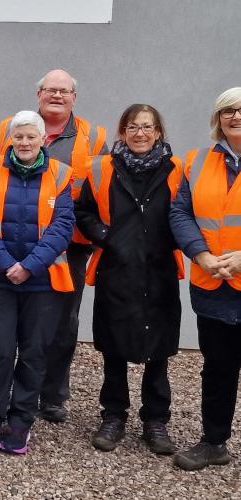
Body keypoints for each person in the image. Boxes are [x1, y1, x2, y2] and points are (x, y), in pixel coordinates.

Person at [0, 69, 107, 422]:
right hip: (7, 246)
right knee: (2, 329)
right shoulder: (12, 126)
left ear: (74, 98)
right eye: (50, 89)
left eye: (64, 91)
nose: (57, 95)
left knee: (60, 324)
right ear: (38, 94)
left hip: (69, 246)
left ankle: (51, 396)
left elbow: (104, 187)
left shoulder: (93, 136)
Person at [74, 104, 183, 455]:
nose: (140, 133)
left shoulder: (177, 170)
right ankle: (114, 416)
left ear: (158, 132)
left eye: (147, 127)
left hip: (160, 269)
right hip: (116, 269)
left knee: (159, 350)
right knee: (114, 347)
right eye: (133, 127)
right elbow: (82, 212)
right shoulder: (101, 168)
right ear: (122, 132)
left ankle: (155, 420)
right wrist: (106, 235)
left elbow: (187, 212)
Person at [0, 110, 75, 454]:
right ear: (9, 140)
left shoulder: (61, 175)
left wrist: (29, 265)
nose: (25, 142)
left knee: (33, 352)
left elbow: (63, 227)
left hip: (43, 282)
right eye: (19, 137)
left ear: (44, 139)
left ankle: (20, 422)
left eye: (31, 136)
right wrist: (7, 264)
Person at [171, 87, 241, 471]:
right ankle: (214, 442)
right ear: (218, 118)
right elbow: (180, 213)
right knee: (218, 367)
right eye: (228, 110)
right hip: (213, 282)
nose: (235, 117)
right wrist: (202, 255)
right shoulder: (197, 161)